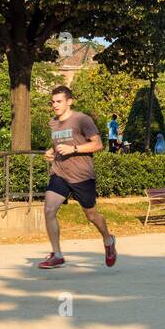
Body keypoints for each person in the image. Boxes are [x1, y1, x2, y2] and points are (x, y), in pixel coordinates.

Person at [38, 86, 116, 269]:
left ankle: (108, 239)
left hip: (82, 176)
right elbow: (58, 143)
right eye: (53, 102)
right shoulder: (53, 122)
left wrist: (74, 149)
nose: (55, 105)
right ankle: (57, 255)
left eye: (59, 101)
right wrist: (50, 152)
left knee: (91, 215)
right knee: (49, 209)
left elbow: (98, 145)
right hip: (59, 173)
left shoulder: (82, 119)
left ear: (69, 101)